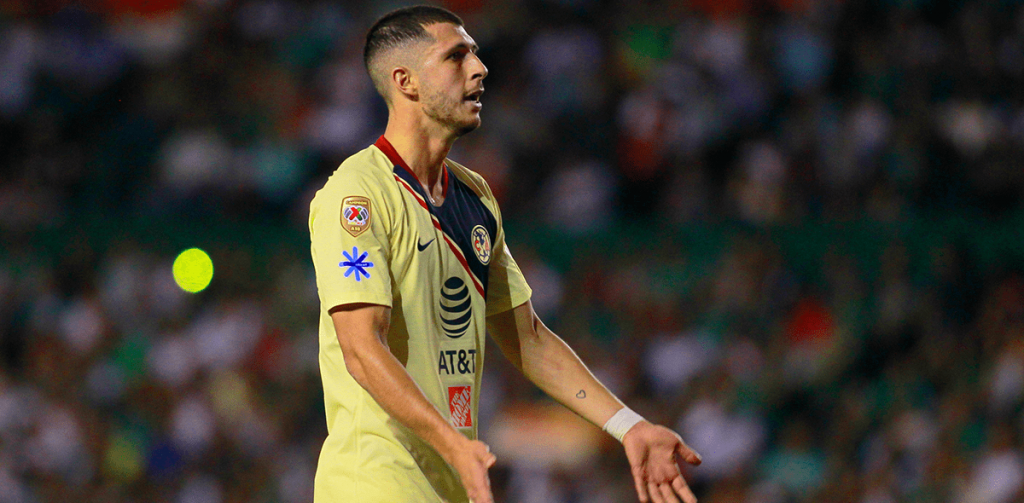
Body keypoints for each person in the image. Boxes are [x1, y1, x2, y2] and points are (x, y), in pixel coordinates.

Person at [308, 6, 702, 503]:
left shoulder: (474, 196)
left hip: (452, 486)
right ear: (405, 81)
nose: (479, 68)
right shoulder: (357, 195)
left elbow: (526, 337)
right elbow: (362, 349)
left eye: (474, 54)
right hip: (374, 486)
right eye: (456, 57)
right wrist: (453, 443)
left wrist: (629, 426)